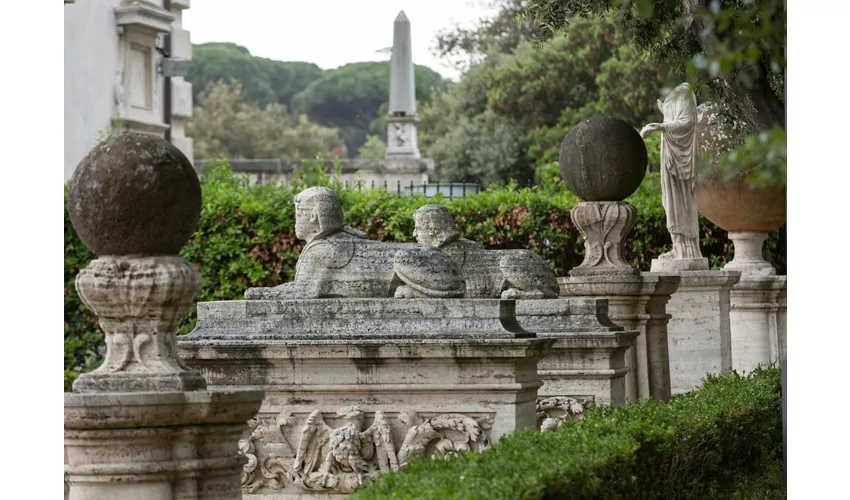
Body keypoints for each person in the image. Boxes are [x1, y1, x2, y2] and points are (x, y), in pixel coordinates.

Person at [640, 83, 704, 263]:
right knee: (670, 202)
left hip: (681, 154)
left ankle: (688, 251)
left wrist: (658, 126)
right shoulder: (673, 93)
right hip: (669, 151)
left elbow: (687, 122)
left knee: (681, 201)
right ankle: (677, 247)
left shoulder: (684, 93)